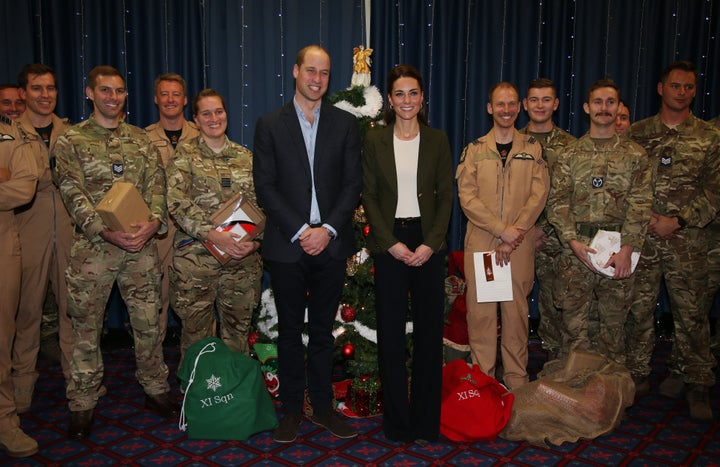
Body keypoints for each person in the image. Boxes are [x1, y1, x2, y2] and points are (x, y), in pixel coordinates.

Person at [53, 65, 177, 440]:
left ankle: (155, 389)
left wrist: (155, 222)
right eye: (105, 91)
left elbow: (158, 184)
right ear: (90, 93)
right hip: (93, 251)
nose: (113, 97)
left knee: (148, 322)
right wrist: (104, 230)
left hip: (140, 247)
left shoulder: (141, 140)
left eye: (120, 91)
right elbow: (71, 192)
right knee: (86, 328)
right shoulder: (71, 140)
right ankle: (83, 402)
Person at [253, 45, 362, 442]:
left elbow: (353, 184)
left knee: (321, 331)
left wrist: (328, 229)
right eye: (311, 71)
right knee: (288, 332)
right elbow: (264, 186)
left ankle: (322, 407)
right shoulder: (270, 124)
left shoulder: (345, 125)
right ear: (296, 71)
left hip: (330, 244)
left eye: (325, 73)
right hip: (287, 244)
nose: (317, 79)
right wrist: (302, 230)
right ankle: (292, 411)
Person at [362, 65, 453, 443]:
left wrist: (430, 243)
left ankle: (425, 423)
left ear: (422, 98)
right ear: (390, 99)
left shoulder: (437, 140)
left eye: (413, 93)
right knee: (391, 337)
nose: (406, 101)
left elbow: (447, 195)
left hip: (429, 241)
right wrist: (392, 244)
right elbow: (368, 196)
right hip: (391, 243)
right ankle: (398, 424)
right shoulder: (375, 140)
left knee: (431, 335)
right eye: (399, 94)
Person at [626, 61, 720, 421]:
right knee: (640, 308)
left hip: (690, 240)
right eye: (675, 86)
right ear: (661, 89)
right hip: (645, 238)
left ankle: (697, 383)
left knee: (692, 314)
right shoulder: (638, 133)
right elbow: (627, 183)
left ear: (694, 92)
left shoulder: (709, 137)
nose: (681, 92)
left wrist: (677, 221)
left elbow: (714, 192)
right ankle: (638, 374)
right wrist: (648, 218)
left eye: (688, 87)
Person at [547, 79, 652, 368]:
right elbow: (557, 203)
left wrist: (628, 250)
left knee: (613, 330)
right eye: (597, 102)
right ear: (586, 107)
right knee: (574, 328)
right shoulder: (569, 154)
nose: (603, 108)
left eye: (610, 102)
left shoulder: (635, 156)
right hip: (576, 251)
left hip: (618, 252)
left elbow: (640, 204)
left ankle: (608, 397)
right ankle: (575, 396)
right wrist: (572, 242)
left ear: (619, 108)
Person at [456, 82, 550, 389]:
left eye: (511, 104)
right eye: (500, 104)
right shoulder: (474, 151)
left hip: (519, 247)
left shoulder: (533, 150)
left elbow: (539, 195)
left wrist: (515, 233)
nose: (506, 110)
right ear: (490, 108)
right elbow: (467, 198)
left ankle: (516, 381)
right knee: (481, 318)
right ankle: (483, 381)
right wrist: (501, 231)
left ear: (519, 107)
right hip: (483, 244)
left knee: (515, 318)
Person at [166, 89, 262, 359]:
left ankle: (235, 396)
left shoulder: (246, 158)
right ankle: (198, 396)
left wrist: (254, 244)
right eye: (206, 113)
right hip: (197, 265)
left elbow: (262, 208)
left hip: (241, 265)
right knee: (197, 340)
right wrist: (212, 235)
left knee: (238, 338)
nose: (214, 118)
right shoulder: (183, 156)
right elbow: (176, 202)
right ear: (195, 119)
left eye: (219, 111)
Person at [12, 65, 74, 400]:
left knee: (71, 310)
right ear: (23, 93)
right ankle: (22, 385)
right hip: (27, 228)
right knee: (27, 313)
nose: (45, 95)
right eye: (37, 88)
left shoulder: (70, 132)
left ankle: (75, 381)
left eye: (50, 88)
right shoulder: (9, 133)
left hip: (67, 228)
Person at [520, 78, 576, 360]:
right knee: (513, 303)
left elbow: (572, 197)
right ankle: (512, 360)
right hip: (518, 239)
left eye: (546, 100)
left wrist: (546, 231)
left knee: (559, 303)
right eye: (534, 100)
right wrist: (528, 230)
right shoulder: (512, 141)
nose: (539, 105)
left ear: (555, 104)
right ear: (524, 104)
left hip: (557, 242)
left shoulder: (572, 146)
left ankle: (557, 363)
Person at [146, 73, 199, 346]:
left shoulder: (200, 135)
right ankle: (154, 369)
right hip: (161, 229)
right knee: (157, 298)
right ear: (156, 99)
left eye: (176, 94)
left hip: (194, 229)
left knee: (199, 299)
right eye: (164, 94)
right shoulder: (143, 139)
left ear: (185, 100)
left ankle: (202, 364)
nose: (170, 100)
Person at [0, 115, 39, 457]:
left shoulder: (11, 135)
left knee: (1, 336)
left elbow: (23, 188)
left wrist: (8, 182)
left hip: (2, 242)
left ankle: (5, 421)